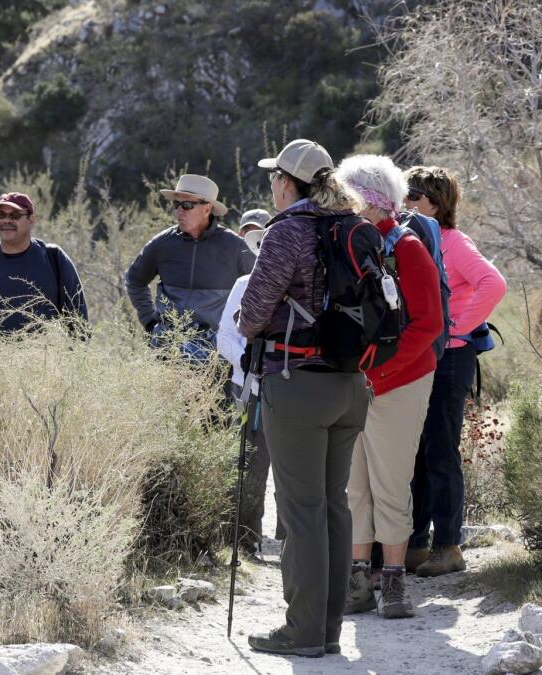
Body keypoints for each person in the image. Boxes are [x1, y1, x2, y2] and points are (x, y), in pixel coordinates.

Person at [238, 139, 369, 658]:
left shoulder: (287, 232)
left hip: (296, 382)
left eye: (274, 177)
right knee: (334, 507)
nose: (271, 184)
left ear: (287, 183)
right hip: (350, 385)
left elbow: (252, 312)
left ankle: (304, 631)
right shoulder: (352, 229)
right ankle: (329, 628)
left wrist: (246, 324)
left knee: (302, 511)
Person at [335, 155, 443, 619]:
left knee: (390, 483)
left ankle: (394, 583)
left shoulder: (407, 248)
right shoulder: (348, 243)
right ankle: (360, 579)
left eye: (347, 196)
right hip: (356, 382)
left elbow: (428, 326)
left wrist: (377, 375)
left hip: (399, 382)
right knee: (353, 485)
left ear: (370, 201)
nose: (340, 204)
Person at [405, 166, 507, 576]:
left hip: (451, 357)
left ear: (432, 202)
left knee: (441, 451)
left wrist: (453, 330)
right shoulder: (416, 240)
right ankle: (415, 545)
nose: (406, 201)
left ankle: (449, 547)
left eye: (413, 195)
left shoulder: (453, 241)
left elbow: (493, 283)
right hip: (427, 356)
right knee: (415, 452)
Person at [125, 175, 254, 362]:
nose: (179, 212)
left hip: (218, 355)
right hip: (168, 351)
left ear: (207, 209)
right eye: (176, 205)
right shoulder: (162, 244)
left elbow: (261, 286)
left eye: (186, 206)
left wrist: (243, 334)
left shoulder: (234, 247)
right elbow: (134, 280)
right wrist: (150, 323)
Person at [0, 192, 88, 352]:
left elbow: (77, 319)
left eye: (14, 215)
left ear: (31, 219)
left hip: (49, 369)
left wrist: (77, 364)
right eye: (1, 215)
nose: (6, 220)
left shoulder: (54, 259)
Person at [217, 217, 275, 552]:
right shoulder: (243, 284)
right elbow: (224, 335)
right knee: (248, 463)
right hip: (245, 389)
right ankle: (245, 538)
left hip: (286, 388)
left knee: (288, 469)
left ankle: (289, 539)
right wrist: (247, 362)